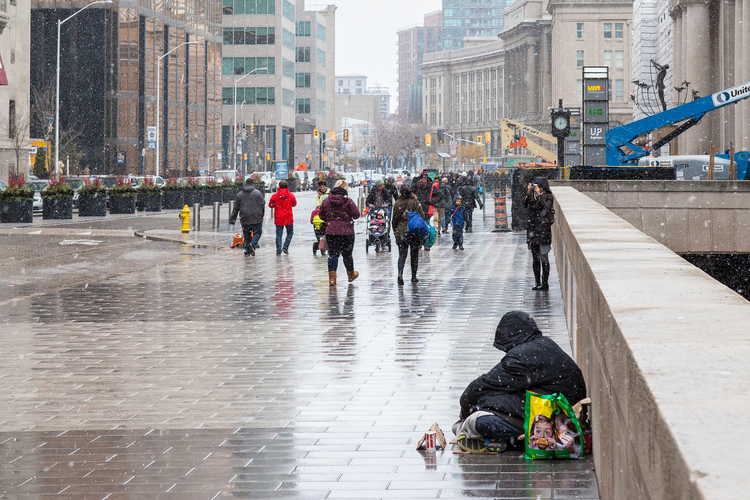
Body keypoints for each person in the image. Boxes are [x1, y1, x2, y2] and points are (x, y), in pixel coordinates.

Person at [453, 310, 586, 453]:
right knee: (488, 404)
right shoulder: (540, 345)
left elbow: (482, 386)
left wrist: (467, 411)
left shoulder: (524, 356)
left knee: (481, 418)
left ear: (511, 339)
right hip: (558, 409)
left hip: (558, 416)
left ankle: (523, 441)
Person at [319, 179, 361, 286]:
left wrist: (331, 220)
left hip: (331, 231)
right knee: (347, 255)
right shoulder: (348, 201)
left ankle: (332, 279)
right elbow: (356, 215)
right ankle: (350, 275)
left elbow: (321, 215)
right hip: (347, 232)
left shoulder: (327, 200)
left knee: (333, 255)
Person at [522, 176, 554, 291]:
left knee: (544, 258)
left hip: (543, 231)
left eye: (539, 186)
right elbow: (524, 205)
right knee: (535, 259)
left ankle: (545, 283)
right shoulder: (531, 196)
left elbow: (547, 207)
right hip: (533, 231)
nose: (537, 188)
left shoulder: (548, 196)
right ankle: (537, 282)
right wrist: (529, 192)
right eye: (536, 186)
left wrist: (540, 196)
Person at [391, 185, 425, 285]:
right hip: (414, 231)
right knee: (414, 255)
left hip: (401, 232)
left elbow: (394, 219)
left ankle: (400, 275)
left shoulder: (397, 203)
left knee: (402, 255)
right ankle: (413, 276)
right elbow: (422, 216)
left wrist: (395, 230)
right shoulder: (415, 202)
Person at [229, 177, 266, 256]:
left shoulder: (240, 194)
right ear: (253, 184)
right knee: (258, 232)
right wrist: (261, 215)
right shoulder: (258, 193)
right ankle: (252, 244)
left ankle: (247, 250)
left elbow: (236, 208)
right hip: (256, 217)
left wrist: (232, 219)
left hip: (244, 217)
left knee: (247, 235)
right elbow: (263, 204)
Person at [268, 179, 297, 255]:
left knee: (278, 234)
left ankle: (278, 250)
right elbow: (294, 204)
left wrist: (276, 205)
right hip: (288, 217)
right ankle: (285, 246)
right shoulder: (291, 195)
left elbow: (270, 205)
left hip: (278, 217)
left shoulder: (275, 196)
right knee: (290, 232)